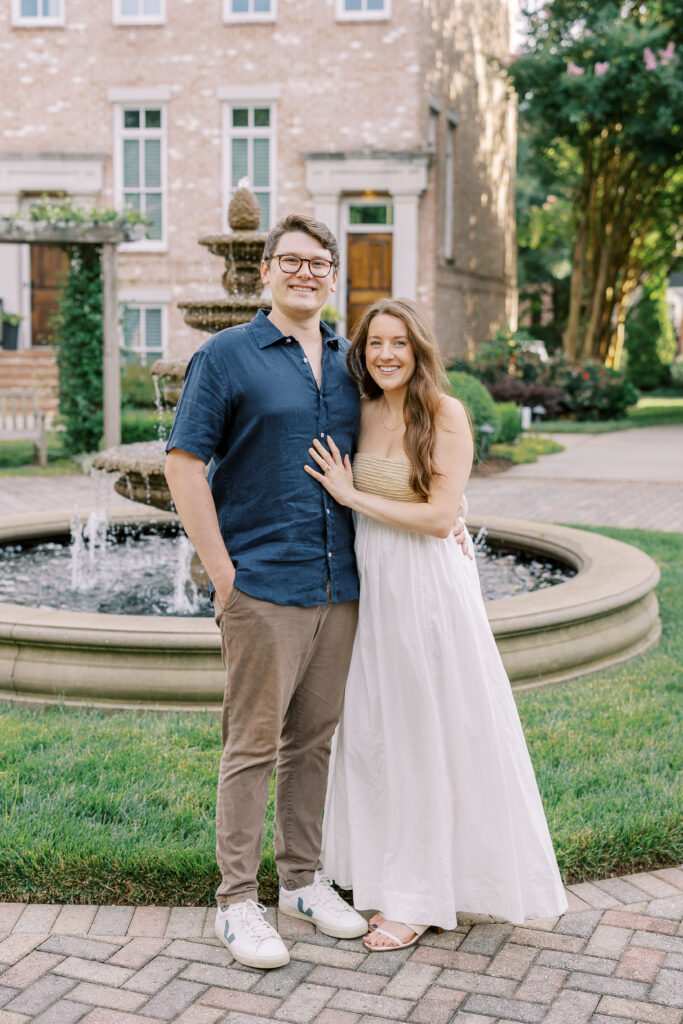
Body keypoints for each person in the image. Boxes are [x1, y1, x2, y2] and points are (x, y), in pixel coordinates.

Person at [306, 297, 569, 951]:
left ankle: (418, 899)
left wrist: (351, 496)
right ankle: (385, 873)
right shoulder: (360, 409)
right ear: (361, 354)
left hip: (424, 590)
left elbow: (436, 515)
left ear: (419, 350)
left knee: (424, 734)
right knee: (377, 735)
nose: (386, 354)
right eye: (374, 345)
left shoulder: (445, 413)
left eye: (399, 343)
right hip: (374, 592)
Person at [164, 213, 369, 969]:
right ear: (265, 273)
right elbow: (184, 466)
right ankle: (236, 903)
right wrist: (223, 577)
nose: (305, 272)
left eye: (318, 263)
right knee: (251, 746)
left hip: (338, 584)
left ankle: (303, 884)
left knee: (312, 742)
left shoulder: (351, 362)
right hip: (262, 583)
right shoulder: (224, 356)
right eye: (290, 261)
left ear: (331, 274)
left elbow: (390, 450)